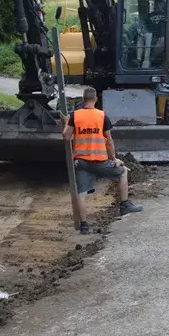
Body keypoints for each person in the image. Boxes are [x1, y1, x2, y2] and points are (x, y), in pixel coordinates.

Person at [62, 87, 144, 234]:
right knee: (123, 172)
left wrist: (67, 122)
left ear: (83, 100)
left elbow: (66, 137)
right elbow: (109, 141)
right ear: (96, 100)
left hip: (81, 163)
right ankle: (124, 205)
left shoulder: (75, 116)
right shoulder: (102, 116)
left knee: (81, 193)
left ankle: (84, 225)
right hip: (101, 162)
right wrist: (114, 159)